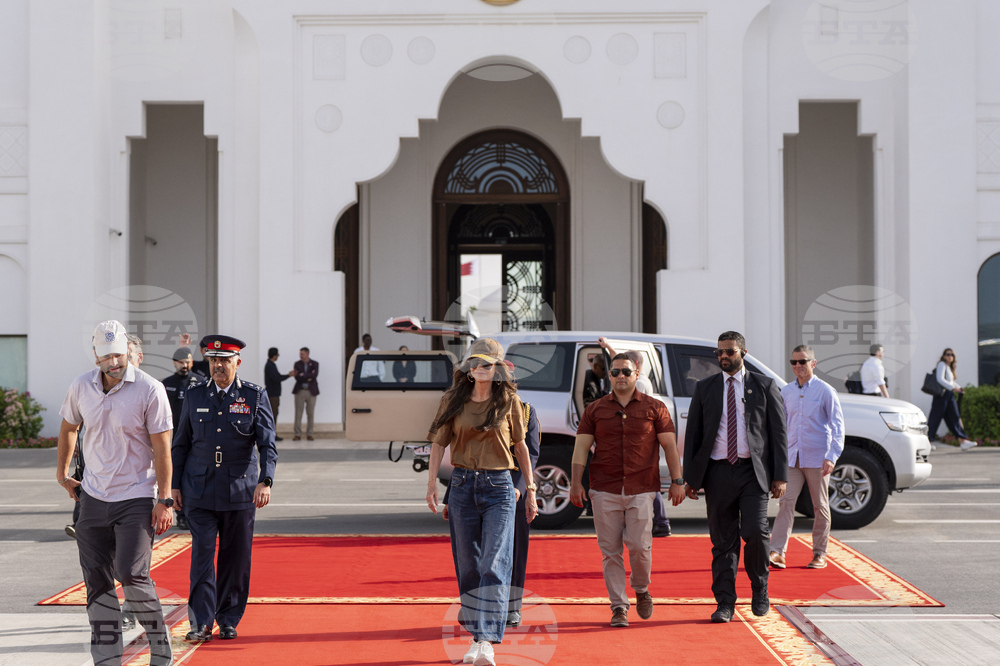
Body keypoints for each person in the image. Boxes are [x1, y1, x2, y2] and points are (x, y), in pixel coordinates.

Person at [55, 320, 175, 665]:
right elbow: (69, 427)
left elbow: (163, 448)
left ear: (128, 352)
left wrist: (164, 500)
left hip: (136, 495)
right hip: (93, 496)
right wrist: (63, 475)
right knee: (97, 582)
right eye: (108, 356)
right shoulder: (81, 387)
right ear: (96, 356)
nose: (115, 362)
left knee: (131, 573)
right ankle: (107, 658)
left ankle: (159, 645)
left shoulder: (149, 389)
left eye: (120, 355)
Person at [426, 338, 538, 666]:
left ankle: (486, 640)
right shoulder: (452, 400)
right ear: (468, 368)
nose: (480, 368)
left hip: (500, 488)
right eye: (474, 363)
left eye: (487, 363)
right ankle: (477, 635)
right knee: (468, 565)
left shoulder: (511, 402)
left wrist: (530, 489)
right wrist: (432, 483)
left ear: (498, 367)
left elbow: (522, 448)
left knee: (494, 563)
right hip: (461, 486)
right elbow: (437, 443)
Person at [171, 334, 277, 643]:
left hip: (239, 489)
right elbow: (181, 444)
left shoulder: (255, 396)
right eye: (214, 360)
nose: (218, 366)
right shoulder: (194, 395)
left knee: (235, 558)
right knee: (202, 557)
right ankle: (201, 621)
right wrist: (174, 486)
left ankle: (228, 618)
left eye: (225, 361)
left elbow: (268, 445)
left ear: (237, 363)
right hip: (199, 490)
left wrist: (265, 481)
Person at [569, 353, 685, 628]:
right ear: (608, 376)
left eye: (626, 372)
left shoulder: (655, 408)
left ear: (636, 374)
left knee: (640, 547)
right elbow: (581, 448)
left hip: (642, 488)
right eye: (615, 372)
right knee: (610, 551)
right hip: (603, 489)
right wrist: (576, 483)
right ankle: (619, 606)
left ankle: (642, 589)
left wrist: (678, 481)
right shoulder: (594, 409)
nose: (621, 376)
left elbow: (669, 446)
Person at [682, 331, 787, 624]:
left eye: (729, 351)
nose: (723, 357)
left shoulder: (764, 385)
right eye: (719, 352)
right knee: (723, 541)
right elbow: (694, 436)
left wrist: (780, 475)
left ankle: (760, 588)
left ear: (743, 352)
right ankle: (725, 602)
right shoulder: (705, 388)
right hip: (717, 473)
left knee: (755, 531)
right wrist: (691, 478)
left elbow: (778, 433)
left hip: (753, 473)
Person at [769, 345, 845, 571]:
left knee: (820, 506)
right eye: (794, 362)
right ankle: (777, 552)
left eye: (802, 361)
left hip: (817, 458)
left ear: (814, 363)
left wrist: (832, 456)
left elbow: (838, 427)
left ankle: (820, 553)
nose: (797, 366)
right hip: (792, 458)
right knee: (785, 503)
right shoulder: (787, 391)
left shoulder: (826, 391)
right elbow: (780, 425)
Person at [596, 339, 672, 537]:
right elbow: (617, 361)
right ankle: (661, 522)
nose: (620, 374)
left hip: (637, 441)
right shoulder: (642, 378)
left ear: (635, 367)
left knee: (644, 485)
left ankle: (660, 522)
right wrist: (609, 347)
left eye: (625, 369)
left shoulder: (638, 384)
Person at [162, 347, 202, 531]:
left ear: (192, 362)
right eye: (180, 362)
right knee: (175, 474)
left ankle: (194, 512)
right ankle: (181, 515)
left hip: (195, 436)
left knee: (194, 474)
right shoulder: (166, 384)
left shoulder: (201, 382)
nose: (184, 365)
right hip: (173, 436)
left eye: (187, 362)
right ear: (174, 362)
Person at [926, 348, 977, 451]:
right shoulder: (941, 364)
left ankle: (962, 441)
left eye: (952, 355)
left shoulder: (949, 367)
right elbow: (940, 379)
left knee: (954, 417)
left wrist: (958, 388)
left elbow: (950, 381)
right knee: (935, 418)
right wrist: (953, 388)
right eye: (947, 354)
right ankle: (928, 441)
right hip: (942, 396)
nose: (950, 356)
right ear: (944, 356)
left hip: (949, 395)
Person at [264, 347, 295, 442]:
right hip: (272, 394)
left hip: (273, 393)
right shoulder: (270, 366)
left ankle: (272, 434)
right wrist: (288, 375)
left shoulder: (270, 365)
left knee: (273, 414)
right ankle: (271, 435)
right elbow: (276, 378)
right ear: (274, 356)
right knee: (273, 414)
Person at [291, 347, 320, 441]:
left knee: (310, 413)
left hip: (311, 391)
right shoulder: (297, 364)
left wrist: (303, 375)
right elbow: (297, 377)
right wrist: (307, 376)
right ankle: (297, 434)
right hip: (300, 391)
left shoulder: (315, 364)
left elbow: (314, 375)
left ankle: (310, 434)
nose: (301, 356)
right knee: (298, 413)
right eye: (300, 354)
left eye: (302, 354)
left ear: (307, 354)